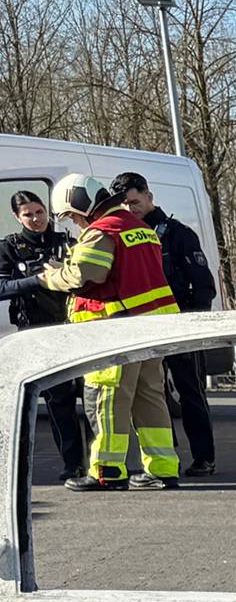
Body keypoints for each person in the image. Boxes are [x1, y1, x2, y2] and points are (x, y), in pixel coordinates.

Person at [43, 173, 180, 490]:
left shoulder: (102, 230)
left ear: (82, 204)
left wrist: (51, 277)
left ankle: (107, 471)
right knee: (149, 398)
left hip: (115, 332)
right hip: (152, 331)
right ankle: (162, 468)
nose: (75, 223)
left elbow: (87, 274)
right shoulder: (140, 228)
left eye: (72, 215)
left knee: (106, 401)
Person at [114, 173, 215, 476]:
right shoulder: (122, 236)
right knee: (151, 396)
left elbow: (203, 287)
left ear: (148, 196)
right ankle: (165, 458)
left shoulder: (177, 234)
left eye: (135, 202)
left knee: (190, 393)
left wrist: (191, 328)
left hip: (179, 327)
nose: (131, 209)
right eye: (124, 205)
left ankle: (204, 458)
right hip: (143, 331)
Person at [0, 190, 85, 485]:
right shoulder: (9, 248)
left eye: (39, 212)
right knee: (57, 400)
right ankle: (72, 464)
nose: (36, 219)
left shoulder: (68, 243)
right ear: (17, 217)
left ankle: (99, 462)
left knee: (91, 398)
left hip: (74, 326)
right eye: (28, 215)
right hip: (37, 332)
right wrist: (36, 280)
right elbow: (2, 287)